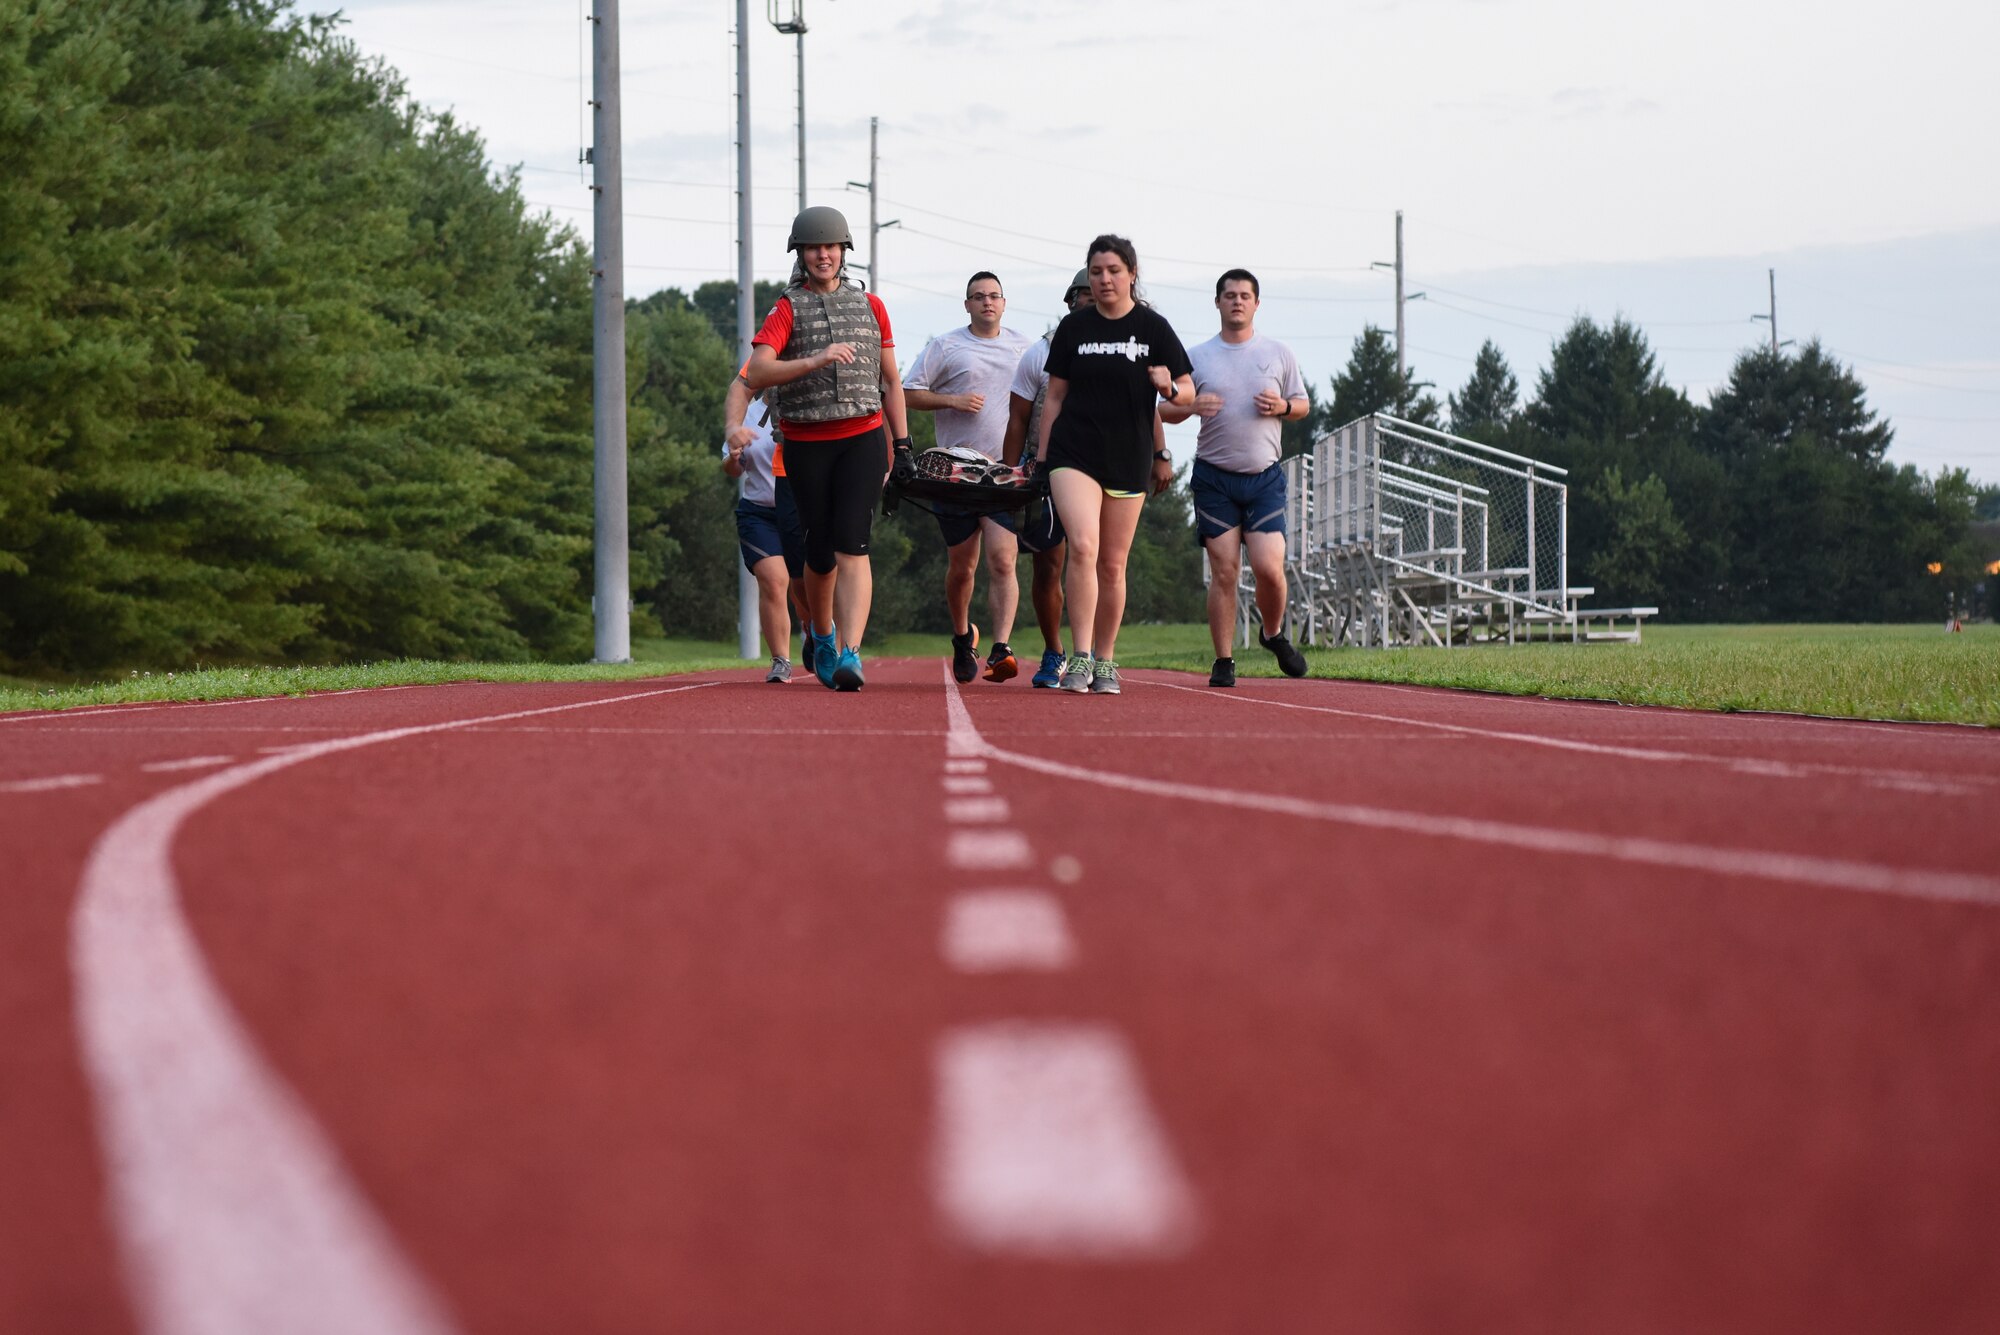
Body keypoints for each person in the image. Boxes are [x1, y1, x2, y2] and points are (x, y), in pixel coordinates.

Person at [743, 206, 911, 692]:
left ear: (844, 253)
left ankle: (852, 652)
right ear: (801, 253)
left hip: (861, 438)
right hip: (805, 442)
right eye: (814, 247)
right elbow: (757, 372)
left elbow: (892, 382)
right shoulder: (786, 308)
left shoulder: (872, 306)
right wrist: (815, 359)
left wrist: (903, 445)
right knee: (819, 554)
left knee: (854, 544)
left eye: (832, 247)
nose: (824, 254)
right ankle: (822, 633)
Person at [1033, 234, 1193, 695]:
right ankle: (1079, 657)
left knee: (1113, 564)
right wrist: (1042, 462)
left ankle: (1105, 659)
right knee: (1082, 546)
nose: (1104, 279)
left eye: (1113, 271)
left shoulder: (1153, 328)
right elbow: (1056, 397)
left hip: (1127, 456)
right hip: (1073, 454)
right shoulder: (1074, 329)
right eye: (1097, 271)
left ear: (1132, 274)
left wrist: (1170, 387)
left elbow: (1188, 392)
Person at [1160, 268, 1311, 686]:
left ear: (1256, 304)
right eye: (1230, 295)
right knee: (1225, 571)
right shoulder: (1197, 356)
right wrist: (1191, 407)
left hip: (1263, 478)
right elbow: (1165, 409)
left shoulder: (1278, 353)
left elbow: (1302, 404)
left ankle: (1272, 633)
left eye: (1245, 296)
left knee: (1268, 568)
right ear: (1218, 303)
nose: (1237, 302)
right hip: (1214, 478)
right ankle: (1224, 660)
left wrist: (1281, 407)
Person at [901, 272, 1033, 683]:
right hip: (955, 473)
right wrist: (952, 400)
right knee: (962, 568)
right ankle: (963, 636)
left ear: (1005, 303)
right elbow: (907, 393)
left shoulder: (1024, 348)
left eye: (994, 296)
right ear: (967, 305)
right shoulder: (946, 346)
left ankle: (1001, 649)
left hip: (1003, 473)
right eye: (978, 297)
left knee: (1003, 560)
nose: (987, 303)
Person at [722, 371, 811, 682]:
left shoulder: (807, 408)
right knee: (774, 581)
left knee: (808, 589)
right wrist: (733, 457)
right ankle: (781, 661)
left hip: (802, 512)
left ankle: (813, 629)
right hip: (760, 513)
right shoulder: (746, 411)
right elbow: (732, 468)